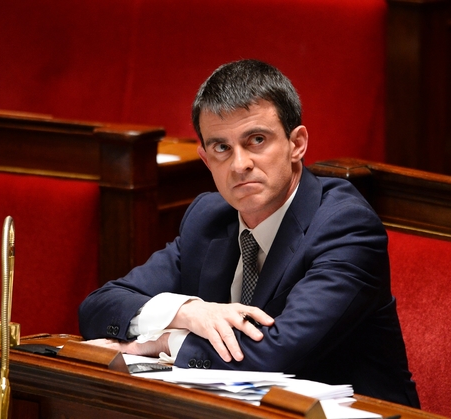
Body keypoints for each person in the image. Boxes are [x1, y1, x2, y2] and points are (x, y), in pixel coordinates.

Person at [78, 59, 419, 407]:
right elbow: (99, 307)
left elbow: (273, 354)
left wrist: (162, 341)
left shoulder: (345, 226)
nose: (239, 164)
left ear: (297, 143)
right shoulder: (207, 218)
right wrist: (189, 312)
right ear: (206, 159)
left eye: (256, 140)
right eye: (221, 148)